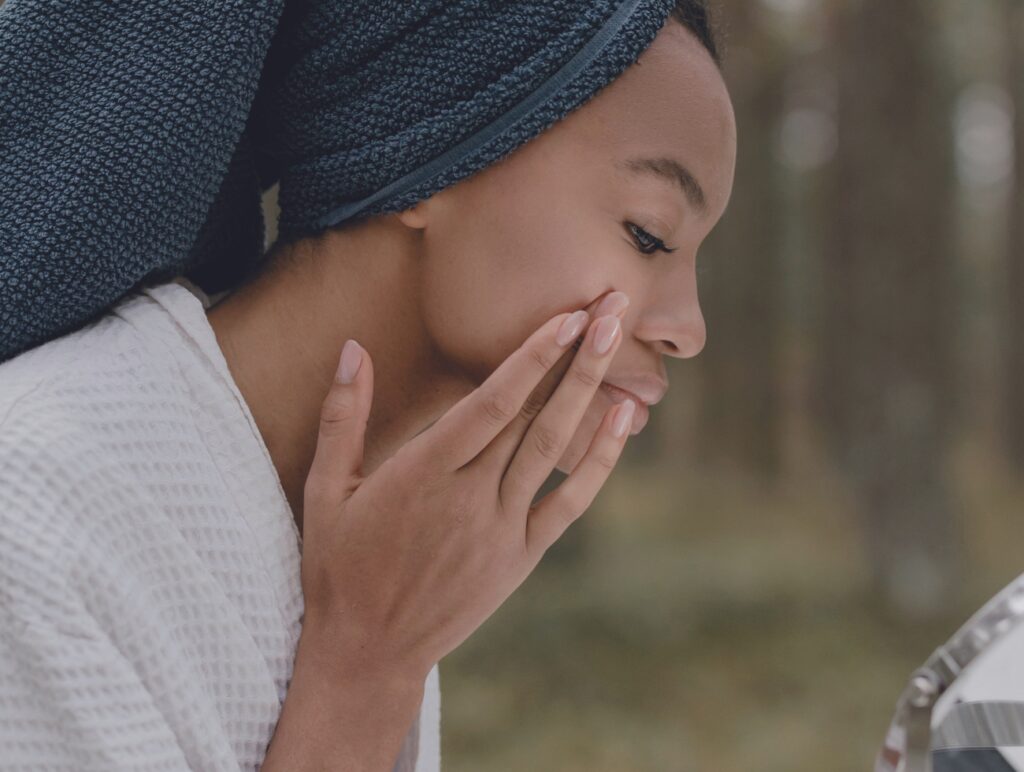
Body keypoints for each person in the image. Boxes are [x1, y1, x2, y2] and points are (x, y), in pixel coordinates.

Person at [0, 0, 735, 769]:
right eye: (648, 234)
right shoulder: (34, 519)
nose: (688, 329)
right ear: (439, 149)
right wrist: (362, 678)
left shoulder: (373, 541)